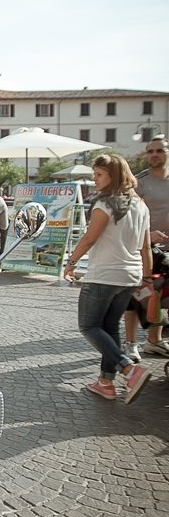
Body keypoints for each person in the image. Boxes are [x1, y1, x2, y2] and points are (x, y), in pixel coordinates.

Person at [63, 154, 151, 404]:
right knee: (110, 327)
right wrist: (146, 277)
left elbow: (89, 238)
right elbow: (145, 246)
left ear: (114, 176)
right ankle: (105, 383)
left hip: (105, 274)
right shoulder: (141, 205)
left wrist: (71, 262)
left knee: (89, 326)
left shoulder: (104, 204)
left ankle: (129, 370)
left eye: (100, 174)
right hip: (130, 276)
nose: (95, 179)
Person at [123, 137, 169, 361]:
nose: (155, 154)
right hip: (145, 249)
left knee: (159, 296)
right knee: (135, 297)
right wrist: (148, 236)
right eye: (151, 151)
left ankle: (154, 340)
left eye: (159, 150)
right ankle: (130, 343)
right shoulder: (140, 183)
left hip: (167, 251)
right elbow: (128, 219)